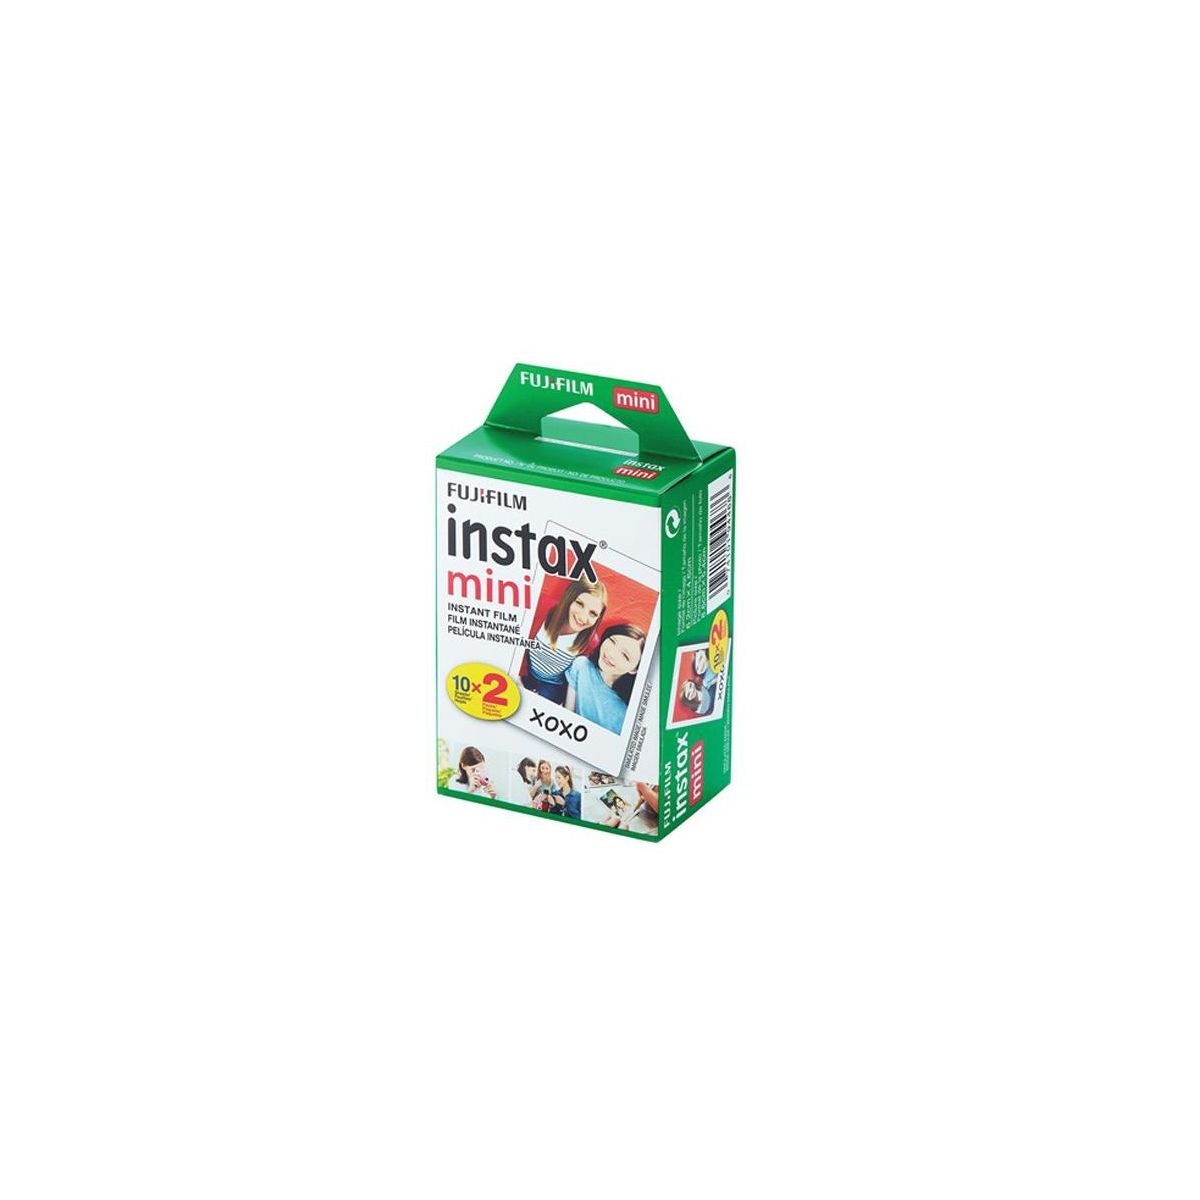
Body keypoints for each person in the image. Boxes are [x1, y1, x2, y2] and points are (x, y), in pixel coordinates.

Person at [521, 578, 608, 704]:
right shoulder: (542, 607)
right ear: (569, 598)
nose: (583, 617)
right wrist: (520, 676)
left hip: (552, 685)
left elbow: (578, 677)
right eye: (580, 604)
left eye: (593, 613)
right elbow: (519, 641)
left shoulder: (591, 642)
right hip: (526, 671)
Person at [563, 623, 646, 734]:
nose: (611, 653)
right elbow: (567, 714)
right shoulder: (581, 666)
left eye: (625, 656)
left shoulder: (630, 713)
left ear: (635, 669)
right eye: (612, 641)